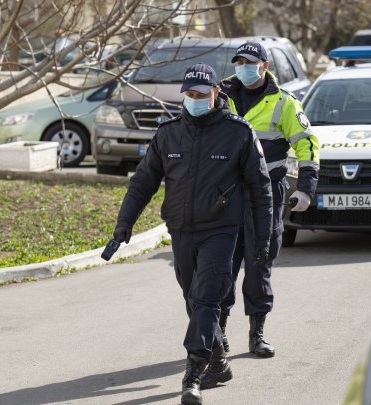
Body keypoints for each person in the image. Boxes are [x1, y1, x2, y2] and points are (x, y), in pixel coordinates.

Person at [113, 63, 273, 405]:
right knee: (193, 299)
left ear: (216, 93)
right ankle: (218, 361)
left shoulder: (239, 133)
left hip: (221, 230)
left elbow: (261, 190)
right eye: (189, 95)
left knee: (207, 298)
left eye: (201, 94)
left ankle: (192, 376)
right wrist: (124, 223)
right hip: (181, 231)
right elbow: (143, 182)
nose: (195, 100)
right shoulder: (168, 133)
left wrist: (262, 239)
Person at [216, 40, 320, 361]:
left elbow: (307, 145)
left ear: (264, 66)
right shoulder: (218, 97)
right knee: (220, 265)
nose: (243, 67)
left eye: (250, 62)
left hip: (266, 194)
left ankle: (256, 334)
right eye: (239, 62)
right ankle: (217, 334)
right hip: (226, 195)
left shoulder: (284, 103)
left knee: (260, 262)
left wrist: (305, 187)